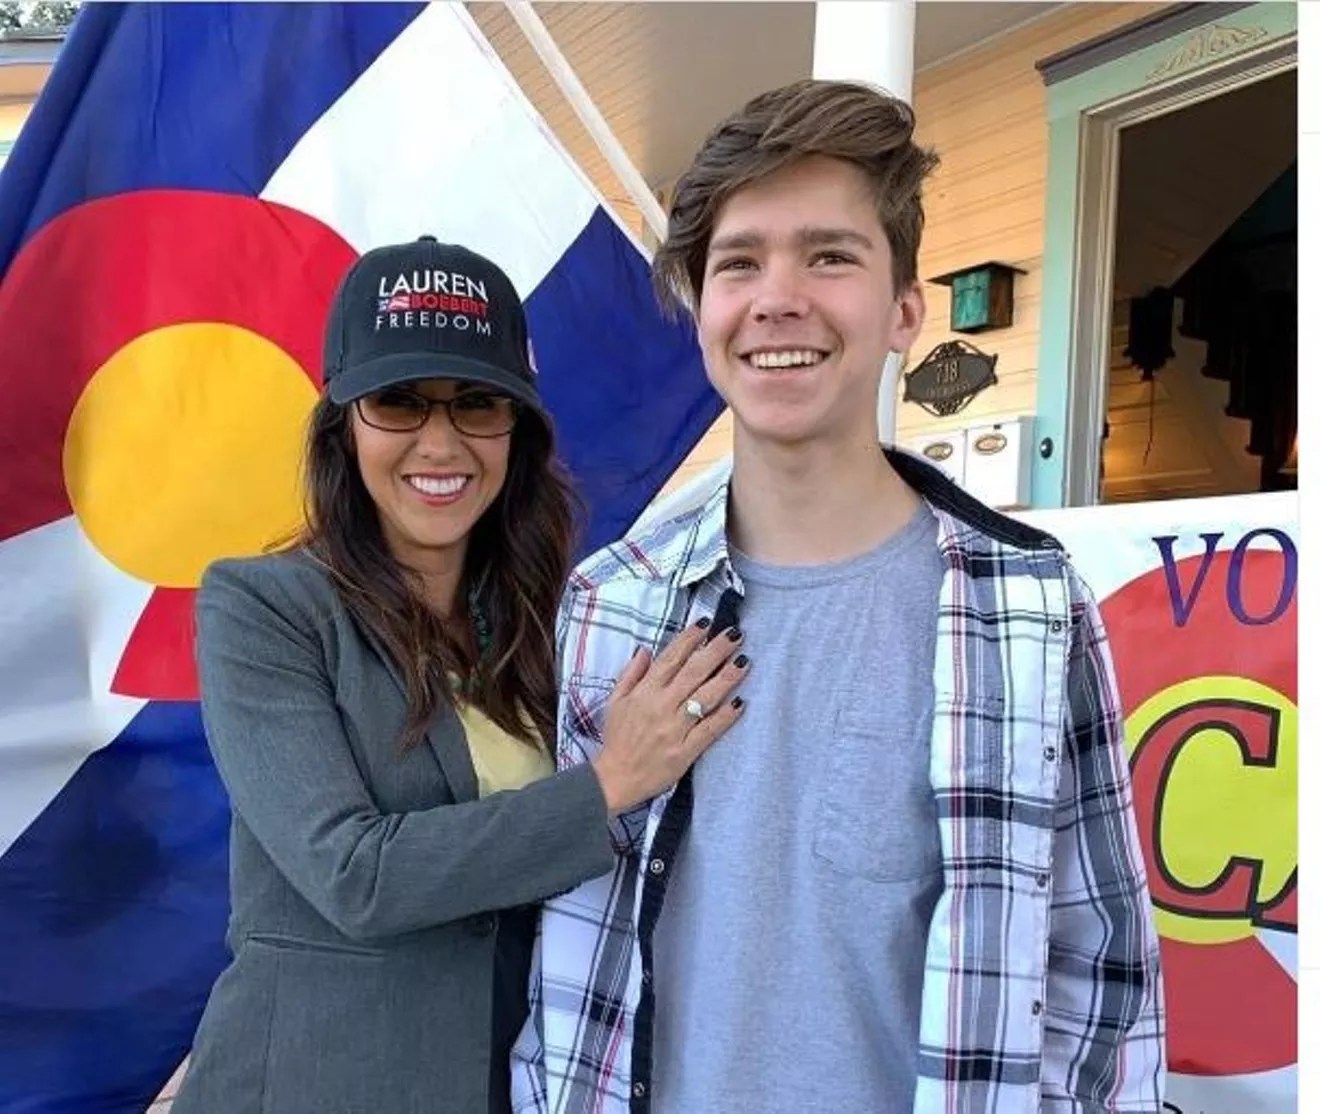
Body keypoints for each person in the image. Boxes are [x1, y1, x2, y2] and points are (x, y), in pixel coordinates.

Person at [515, 81, 1165, 1113]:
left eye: (830, 255)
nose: (779, 297)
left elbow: (1101, 972)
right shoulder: (608, 608)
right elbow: (565, 933)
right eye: (740, 262)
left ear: (905, 309)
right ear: (699, 313)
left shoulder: (1031, 613)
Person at [172, 237, 747, 1114]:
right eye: (399, 403)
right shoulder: (264, 608)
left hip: (503, 1083)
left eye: (478, 403)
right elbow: (353, 875)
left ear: (515, 430)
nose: (440, 443)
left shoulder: (551, 620)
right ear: (345, 424)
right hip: (303, 1086)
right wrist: (609, 784)